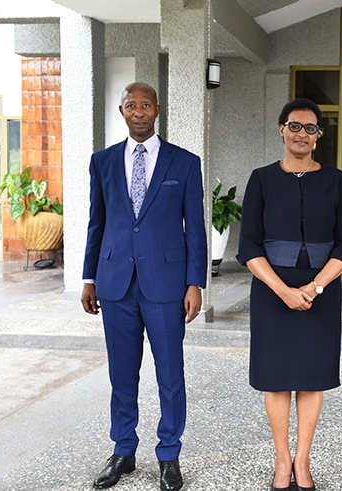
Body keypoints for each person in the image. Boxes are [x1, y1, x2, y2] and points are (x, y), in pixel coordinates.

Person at [81, 82, 207, 491]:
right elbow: (96, 224)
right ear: (121, 111)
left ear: (158, 110)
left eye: (146, 105)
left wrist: (195, 282)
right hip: (115, 284)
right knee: (122, 374)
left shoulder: (184, 163)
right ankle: (123, 449)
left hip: (167, 286)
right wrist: (89, 278)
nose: (138, 112)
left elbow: (195, 230)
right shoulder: (101, 162)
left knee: (170, 373)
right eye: (131, 105)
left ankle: (169, 453)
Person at [237, 98, 342, 491]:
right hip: (272, 289)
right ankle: (281, 459)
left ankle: (303, 459)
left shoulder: (336, 180)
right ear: (282, 130)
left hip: (321, 291)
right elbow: (249, 244)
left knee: (311, 377)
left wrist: (315, 287)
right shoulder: (262, 178)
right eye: (295, 126)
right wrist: (283, 290)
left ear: (318, 136)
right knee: (276, 378)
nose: (302, 133)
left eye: (310, 128)